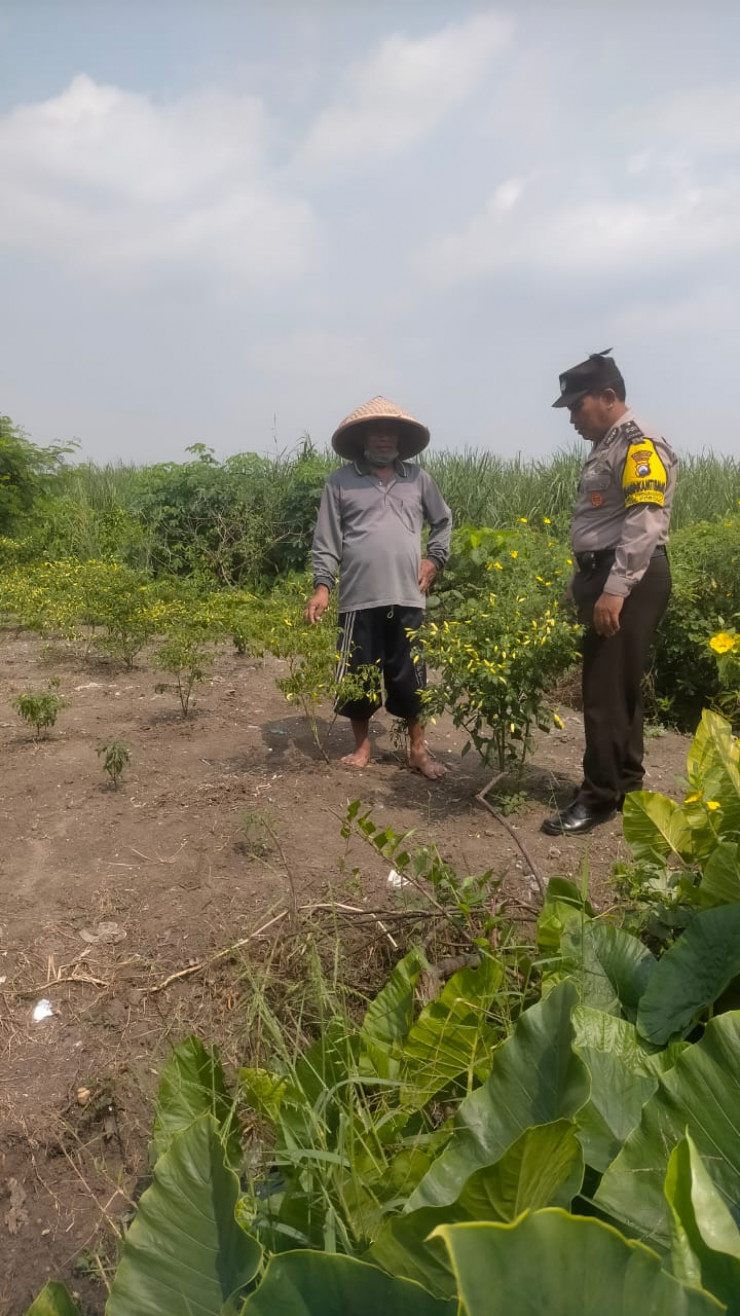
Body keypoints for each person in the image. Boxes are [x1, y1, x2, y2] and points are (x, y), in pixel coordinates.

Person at [542, 350, 677, 836]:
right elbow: (602, 522)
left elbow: (644, 520)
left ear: (608, 397)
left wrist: (615, 590)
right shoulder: (608, 445)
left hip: (628, 578)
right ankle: (627, 784)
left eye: (577, 406)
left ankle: (597, 798)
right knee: (619, 688)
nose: (573, 418)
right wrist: (581, 582)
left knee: (602, 693)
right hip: (607, 574)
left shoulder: (638, 444)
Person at [306, 395, 452, 779]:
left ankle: (417, 751)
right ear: (363, 440)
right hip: (359, 597)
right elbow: (326, 540)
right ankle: (362, 746)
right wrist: (322, 586)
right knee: (359, 675)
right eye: (377, 433)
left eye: (391, 433)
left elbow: (443, 521)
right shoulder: (340, 482)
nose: (385, 439)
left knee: (412, 676)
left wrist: (434, 559)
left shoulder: (419, 479)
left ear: (400, 439)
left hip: (408, 596)